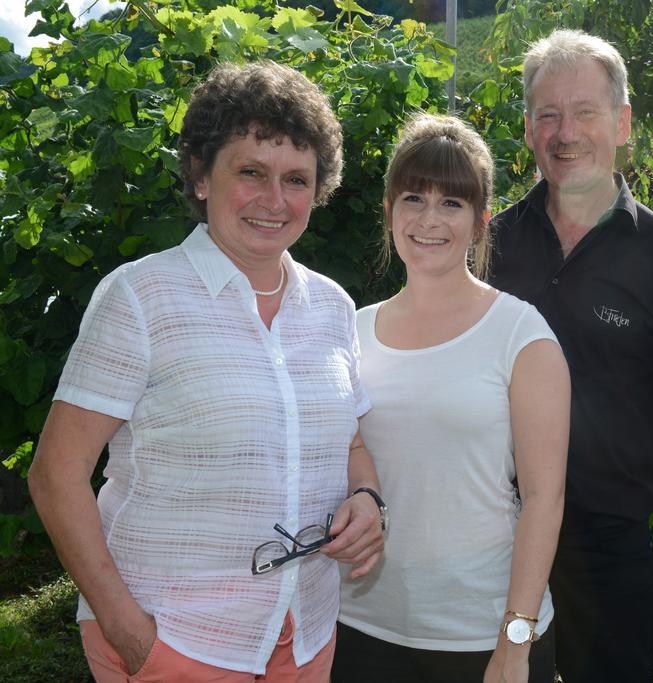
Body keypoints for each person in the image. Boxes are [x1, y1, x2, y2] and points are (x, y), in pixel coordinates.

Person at [27, 61, 385, 682]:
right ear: (200, 175)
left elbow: (349, 441)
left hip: (305, 638)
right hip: (176, 641)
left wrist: (367, 499)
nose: (275, 200)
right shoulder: (141, 298)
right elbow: (56, 474)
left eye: (297, 179)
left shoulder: (332, 306)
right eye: (251, 172)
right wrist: (126, 629)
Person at [487, 29, 653, 682]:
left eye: (584, 112)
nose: (566, 133)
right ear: (529, 129)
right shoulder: (485, 248)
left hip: (607, 550)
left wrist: (630, 452)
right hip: (489, 536)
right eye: (547, 115)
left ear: (621, 124)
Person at [332, 113, 570, 683]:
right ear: (389, 211)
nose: (429, 219)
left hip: (481, 638)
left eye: (452, 203)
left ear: (481, 222)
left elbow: (545, 498)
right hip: (356, 626)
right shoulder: (349, 330)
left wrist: (515, 640)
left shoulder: (521, 335)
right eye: (413, 198)